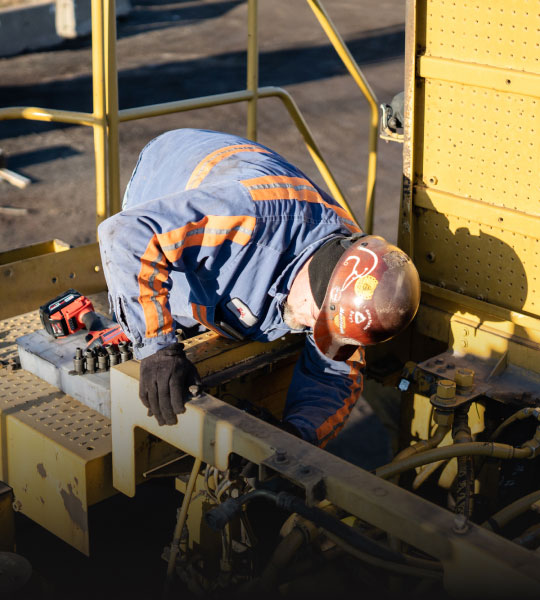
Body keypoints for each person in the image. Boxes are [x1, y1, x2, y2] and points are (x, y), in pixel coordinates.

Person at [98, 129, 420, 457]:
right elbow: (124, 234)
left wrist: (295, 436)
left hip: (244, 245)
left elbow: (335, 372)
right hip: (168, 169)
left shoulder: (354, 280)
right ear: (318, 279)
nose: (313, 330)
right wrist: (157, 350)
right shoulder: (250, 218)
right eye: (317, 320)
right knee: (161, 300)